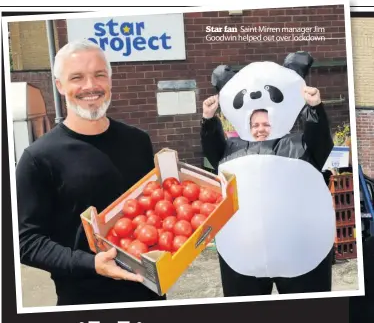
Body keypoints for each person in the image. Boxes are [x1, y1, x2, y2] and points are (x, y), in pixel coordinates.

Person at [16, 39, 166, 305]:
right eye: (77, 77)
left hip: (149, 290)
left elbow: (150, 209)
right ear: (60, 85)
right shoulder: (38, 158)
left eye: (99, 75)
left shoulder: (138, 141)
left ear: (110, 80)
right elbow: (25, 242)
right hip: (85, 299)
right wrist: (91, 263)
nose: (90, 86)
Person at [200, 52, 335, 296]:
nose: (260, 129)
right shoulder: (232, 149)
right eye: (255, 124)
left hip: (300, 255)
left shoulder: (300, 145)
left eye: (265, 123)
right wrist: (209, 119)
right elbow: (212, 149)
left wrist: (315, 108)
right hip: (242, 257)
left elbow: (320, 141)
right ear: (246, 124)